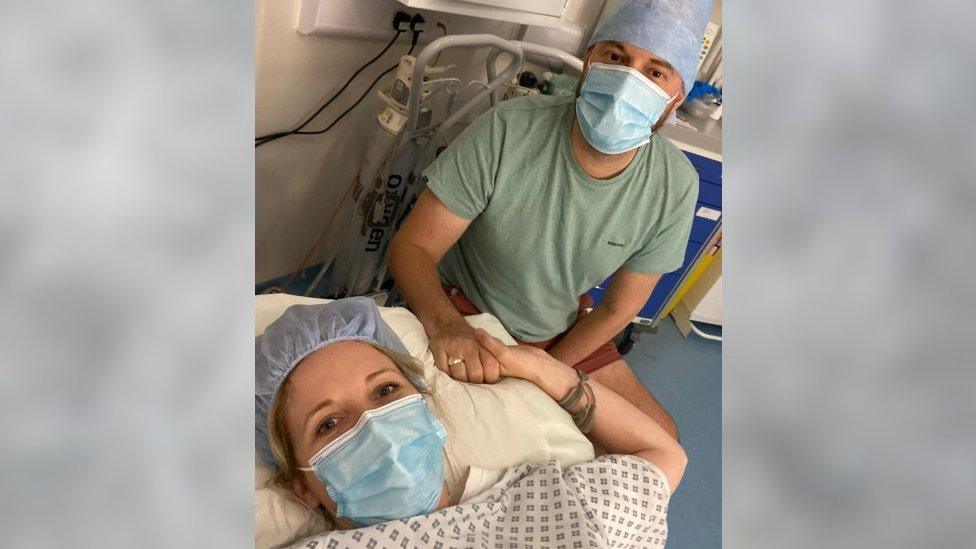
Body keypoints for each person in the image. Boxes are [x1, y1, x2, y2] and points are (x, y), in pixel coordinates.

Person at [388, 0, 713, 440]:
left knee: (656, 442)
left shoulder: (675, 185)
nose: (627, 82)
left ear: (677, 96)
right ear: (587, 64)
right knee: (458, 441)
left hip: (559, 332)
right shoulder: (508, 130)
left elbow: (620, 308)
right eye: (615, 57)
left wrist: (548, 369)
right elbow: (414, 248)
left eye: (655, 71)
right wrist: (448, 327)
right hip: (465, 311)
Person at [255, 297, 687, 547]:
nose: (375, 427)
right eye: (328, 424)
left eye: (386, 391)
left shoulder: (547, 498)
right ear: (301, 486)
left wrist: (544, 369)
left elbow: (663, 456)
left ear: (424, 406)